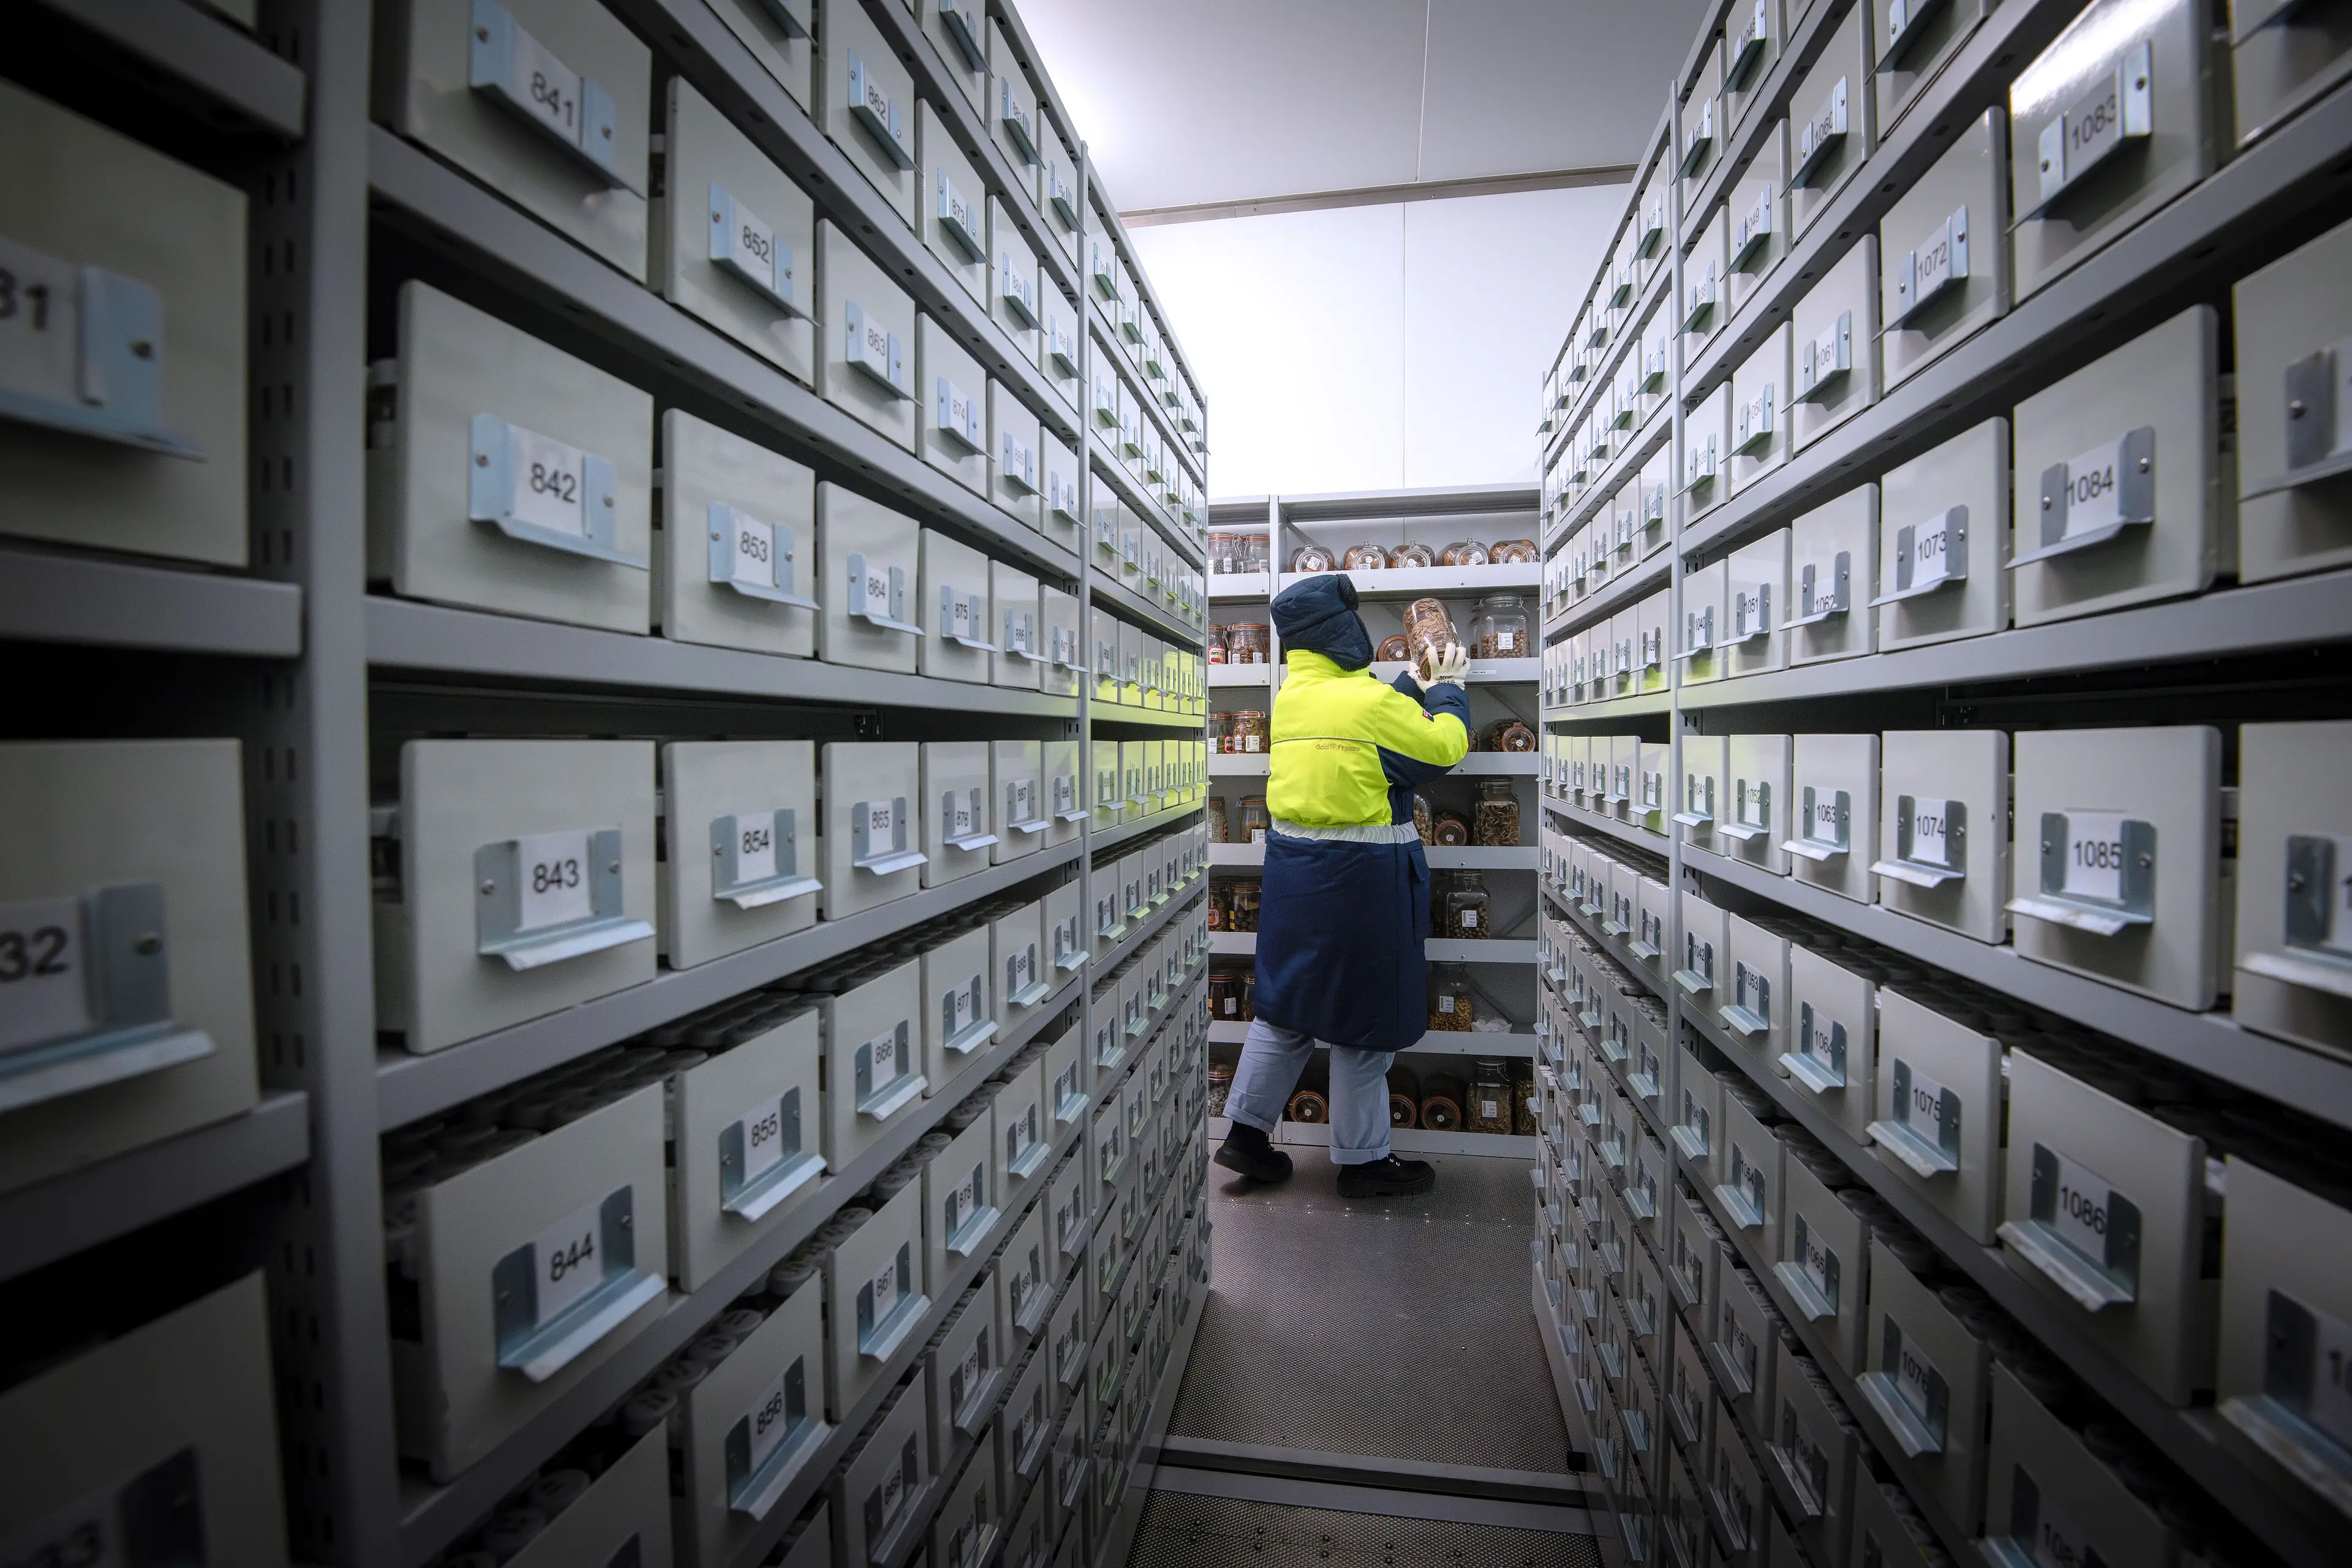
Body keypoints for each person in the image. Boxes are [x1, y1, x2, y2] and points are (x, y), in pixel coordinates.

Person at [1213, 572, 1471, 1197]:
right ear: (1342, 633)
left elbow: (1366, 720)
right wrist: (1452, 688)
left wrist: (1413, 680)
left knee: (1286, 1011)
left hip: (1295, 881)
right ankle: (1362, 1162)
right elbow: (1444, 748)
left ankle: (1245, 1135)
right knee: (1366, 1023)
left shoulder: (1296, 697)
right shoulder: (1366, 704)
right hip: (1362, 887)